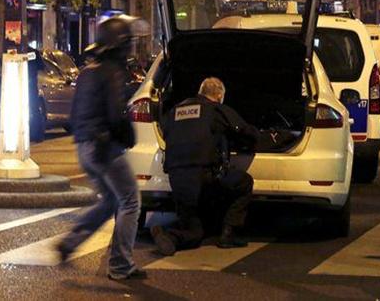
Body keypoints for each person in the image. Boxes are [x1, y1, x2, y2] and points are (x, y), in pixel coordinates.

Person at [57, 17, 145, 281]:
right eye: (128, 42)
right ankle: (120, 266)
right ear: (120, 44)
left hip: (84, 147)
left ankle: (71, 242)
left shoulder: (88, 70)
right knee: (130, 201)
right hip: (104, 147)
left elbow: (73, 117)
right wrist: (127, 136)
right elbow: (116, 114)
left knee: (109, 201)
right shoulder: (111, 71)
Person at [151, 77, 259, 256]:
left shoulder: (174, 111)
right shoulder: (215, 110)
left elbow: (165, 132)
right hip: (203, 176)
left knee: (194, 233)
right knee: (244, 183)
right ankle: (228, 234)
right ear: (218, 95)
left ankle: (169, 237)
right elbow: (245, 132)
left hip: (177, 179)